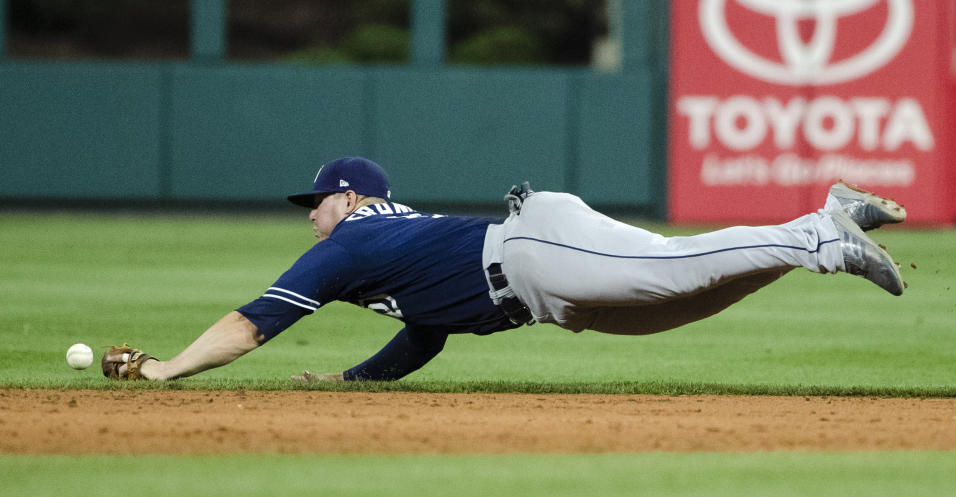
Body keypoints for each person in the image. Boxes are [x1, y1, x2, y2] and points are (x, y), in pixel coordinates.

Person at [102, 156, 906, 382]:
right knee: (691, 295)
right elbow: (425, 333)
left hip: (530, 252)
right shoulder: (388, 242)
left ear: (348, 199)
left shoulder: (345, 245)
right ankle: (816, 239)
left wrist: (168, 368)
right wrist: (354, 384)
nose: (308, 213)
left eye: (314, 200)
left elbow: (250, 326)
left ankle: (819, 231)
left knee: (672, 267)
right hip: (544, 291)